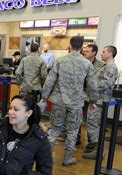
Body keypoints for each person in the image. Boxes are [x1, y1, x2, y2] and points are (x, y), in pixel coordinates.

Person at [41, 36, 99, 166]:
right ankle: (67, 158)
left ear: (70, 46)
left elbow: (50, 81)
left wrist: (44, 98)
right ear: (82, 47)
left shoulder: (60, 61)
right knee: (73, 131)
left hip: (59, 101)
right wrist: (93, 101)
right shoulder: (87, 63)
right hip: (76, 103)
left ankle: (46, 158)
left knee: (54, 129)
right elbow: (92, 85)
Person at [83, 45, 119, 159]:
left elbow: (106, 83)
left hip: (99, 100)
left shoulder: (111, 67)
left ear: (110, 53)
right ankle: (95, 147)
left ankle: (98, 151)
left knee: (93, 124)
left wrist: (92, 86)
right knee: (93, 124)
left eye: (104, 52)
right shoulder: (106, 66)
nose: (101, 54)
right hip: (96, 99)